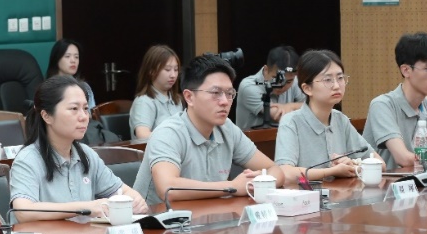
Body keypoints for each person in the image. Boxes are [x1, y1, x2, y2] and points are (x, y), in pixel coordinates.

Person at [132, 54, 285, 206]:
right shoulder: (168, 133)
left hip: (208, 216)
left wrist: (259, 182)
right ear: (189, 97)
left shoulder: (227, 129)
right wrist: (232, 187)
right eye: (215, 93)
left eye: (229, 93)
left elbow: (275, 169)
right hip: (158, 218)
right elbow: (168, 188)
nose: (225, 101)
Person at [10, 76, 148, 221]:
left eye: (86, 108)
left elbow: (121, 191)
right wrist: (85, 208)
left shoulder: (87, 154)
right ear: (47, 116)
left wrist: (134, 200)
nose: (84, 117)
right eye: (74, 109)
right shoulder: (28, 159)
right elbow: (23, 211)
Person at [274, 50, 379, 183]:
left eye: (340, 78)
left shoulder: (341, 120)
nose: (336, 86)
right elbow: (285, 173)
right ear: (307, 89)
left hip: (340, 195)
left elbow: (379, 163)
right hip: (306, 195)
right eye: (327, 80)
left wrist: (353, 166)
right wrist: (331, 171)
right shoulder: (291, 122)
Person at [362, 32, 427, 169]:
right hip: (386, 181)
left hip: (417, 179)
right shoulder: (382, 105)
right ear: (406, 70)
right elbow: (403, 159)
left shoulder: (425, 104)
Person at [235, 45, 305, 130]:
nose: (282, 86)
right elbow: (278, 116)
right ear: (266, 70)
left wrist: (291, 106)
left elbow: (313, 109)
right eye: (277, 78)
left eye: (288, 82)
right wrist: (299, 107)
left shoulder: (295, 81)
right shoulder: (249, 86)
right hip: (252, 138)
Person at [129, 44, 183, 141]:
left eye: (176, 70)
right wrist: (175, 140)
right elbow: (143, 135)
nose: (173, 75)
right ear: (152, 71)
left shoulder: (177, 99)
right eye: (167, 69)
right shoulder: (144, 102)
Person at [47, 38, 96, 110]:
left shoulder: (85, 87)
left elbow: (91, 113)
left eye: (76, 57)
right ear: (57, 59)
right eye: (67, 56)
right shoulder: (48, 88)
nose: (73, 60)